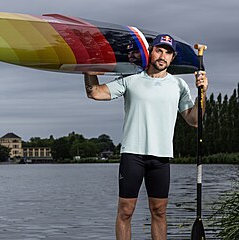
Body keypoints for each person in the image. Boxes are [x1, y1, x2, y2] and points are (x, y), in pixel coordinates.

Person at [84, 34, 208, 240]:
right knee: (125, 210)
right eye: (159, 50)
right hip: (132, 154)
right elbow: (95, 92)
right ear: (150, 52)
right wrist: (88, 71)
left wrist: (203, 93)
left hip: (161, 157)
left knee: (159, 212)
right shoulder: (131, 79)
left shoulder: (179, 85)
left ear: (172, 57)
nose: (162, 56)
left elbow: (194, 120)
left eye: (168, 52)